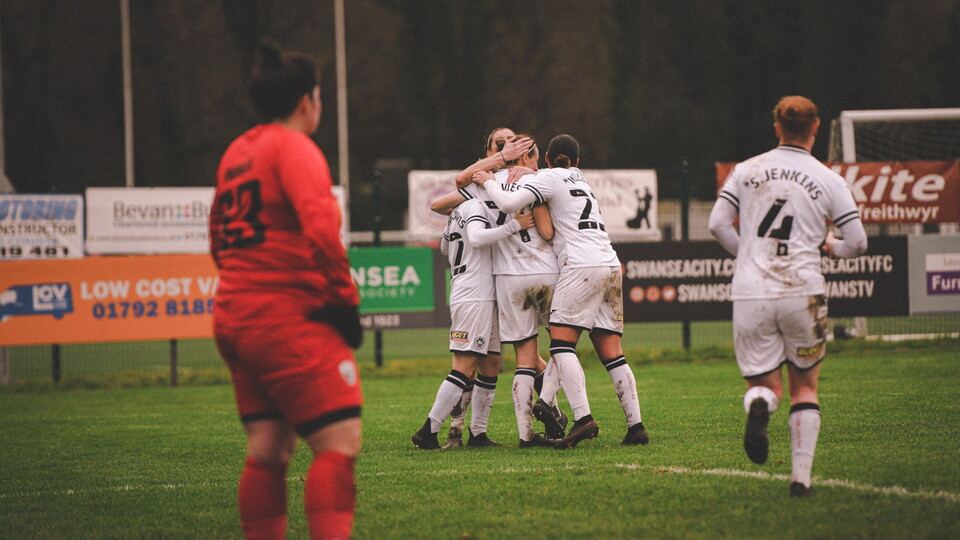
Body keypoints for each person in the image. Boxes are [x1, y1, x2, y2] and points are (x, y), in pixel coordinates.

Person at [209, 41, 363, 539]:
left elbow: (217, 236)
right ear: (307, 100)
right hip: (283, 314)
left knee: (269, 447)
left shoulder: (237, 149)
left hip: (234, 313)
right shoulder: (296, 147)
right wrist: (344, 301)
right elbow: (321, 229)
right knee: (339, 441)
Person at [708, 95, 868, 497]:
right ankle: (800, 479)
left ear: (776, 126)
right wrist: (831, 246)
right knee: (804, 387)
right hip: (803, 290)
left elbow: (717, 224)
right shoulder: (829, 178)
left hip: (751, 292)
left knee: (766, 384)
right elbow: (859, 242)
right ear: (816, 128)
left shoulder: (746, 170)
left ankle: (761, 403)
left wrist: (747, 253)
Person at [473, 134, 650, 449]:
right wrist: (531, 175)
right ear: (577, 162)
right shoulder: (582, 179)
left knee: (560, 345)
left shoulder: (546, 178)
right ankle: (635, 426)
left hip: (580, 265)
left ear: (547, 159)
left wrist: (489, 180)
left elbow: (510, 203)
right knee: (612, 353)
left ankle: (582, 418)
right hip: (609, 263)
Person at [434, 135, 566, 448]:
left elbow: (442, 212)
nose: (509, 147)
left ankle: (480, 432)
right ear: (491, 152)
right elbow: (440, 203)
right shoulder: (488, 187)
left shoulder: (490, 185)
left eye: (513, 143)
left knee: (501, 362)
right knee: (555, 349)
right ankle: (454, 427)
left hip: (502, 281)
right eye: (501, 143)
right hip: (493, 284)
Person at [411, 194, 537, 449]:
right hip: (474, 295)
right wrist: (515, 225)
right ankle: (429, 430)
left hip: (480, 294)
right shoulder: (476, 205)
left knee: (490, 363)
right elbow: (476, 238)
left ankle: (478, 434)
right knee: (464, 366)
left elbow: (446, 247)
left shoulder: (458, 210)